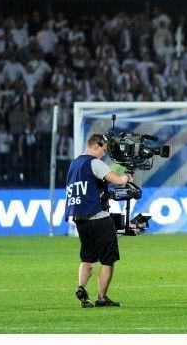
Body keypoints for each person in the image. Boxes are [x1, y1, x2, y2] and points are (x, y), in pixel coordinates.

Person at [64, 132, 134, 308]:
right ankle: (101, 298)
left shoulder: (74, 164)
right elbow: (117, 180)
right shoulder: (94, 162)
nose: (104, 153)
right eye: (103, 150)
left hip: (80, 218)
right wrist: (126, 177)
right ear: (96, 146)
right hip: (98, 217)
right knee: (108, 260)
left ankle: (81, 288)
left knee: (87, 258)